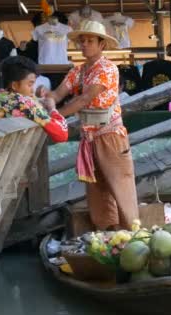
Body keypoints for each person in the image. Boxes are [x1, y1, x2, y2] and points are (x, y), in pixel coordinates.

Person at [42, 20, 139, 230]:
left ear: (101, 44)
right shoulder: (78, 71)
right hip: (90, 137)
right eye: (82, 41)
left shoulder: (107, 69)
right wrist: (47, 100)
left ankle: (132, 236)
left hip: (110, 135)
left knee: (121, 188)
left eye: (90, 40)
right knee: (97, 191)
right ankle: (108, 234)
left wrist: (54, 117)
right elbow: (58, 93)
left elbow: (84, 100)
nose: (84, 44)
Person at [0, 56, 68, 143]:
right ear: (14, 85)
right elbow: (62, 135)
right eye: (30, 84)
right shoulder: (24, 104)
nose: (32, 90)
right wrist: (52, 109)